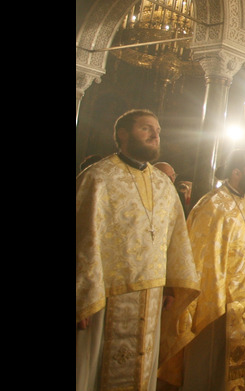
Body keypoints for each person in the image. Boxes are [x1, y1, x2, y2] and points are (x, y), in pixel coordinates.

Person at [76, 109, 198, 391]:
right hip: (105, 297)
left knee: (142, 371)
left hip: (152, 295)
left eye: (157, 130)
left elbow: (175, 237)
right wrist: (81, 294)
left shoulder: (163, 184)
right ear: (123, 134)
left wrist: (172, 285)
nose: (156, 135)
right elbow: (82, 240)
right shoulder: (97, 178)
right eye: (146, 129)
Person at [167, 149, 245, 390]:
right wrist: (216, 299)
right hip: (218, 305)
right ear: (236, 173)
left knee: (233, 368)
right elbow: (201, 257)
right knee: (210, 368)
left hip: (242, 303)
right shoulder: (213, 204)